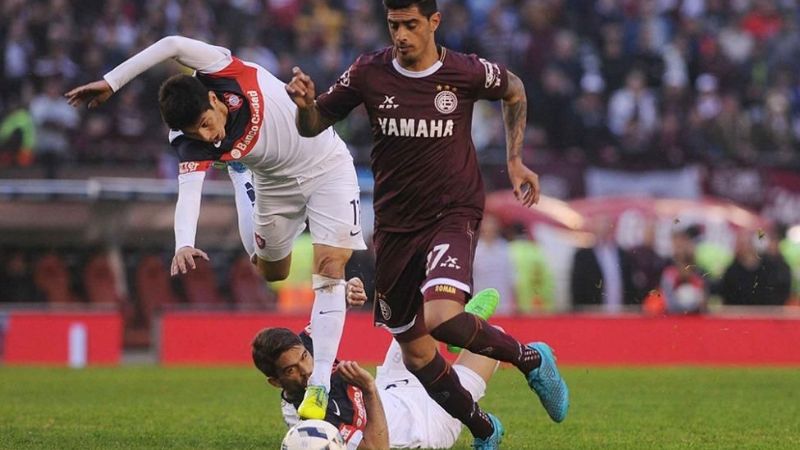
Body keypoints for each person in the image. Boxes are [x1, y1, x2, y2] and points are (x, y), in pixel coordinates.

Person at [284, 1, 569, 447]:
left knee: (441, 317)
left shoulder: (464, 72)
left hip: (453, 212)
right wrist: (304, 105)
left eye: (411, 25)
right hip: (396, 227)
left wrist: (515, 160)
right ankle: (484, 429)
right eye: (394, 25)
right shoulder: (368, 73)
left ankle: (531, 359)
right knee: (417, 354)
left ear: (434, 22)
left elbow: (514, 90)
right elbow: (314, 123)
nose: (401, 35)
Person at [64, 35, 367, 420]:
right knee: (273, 271)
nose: (209, 138)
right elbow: (189, 192)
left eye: (207, 125)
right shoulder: (190, 142)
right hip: (273, 184)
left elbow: (171, 43)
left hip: (327, 167)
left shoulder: (222, 69)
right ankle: (241, 176)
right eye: (197, 135)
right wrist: (183, 244)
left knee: (330, 268)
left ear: (213, 101)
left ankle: (320, 385)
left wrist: (112, 81)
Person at [252, 278, 503, 449]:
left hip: (393, 386)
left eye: (304, 358)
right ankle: (462, 329)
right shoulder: (314, 422)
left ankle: (454, 326)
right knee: (494, 338)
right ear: (275, 381)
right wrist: (369, 388)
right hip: (427, 422)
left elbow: (330, 311)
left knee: (412, 308)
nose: (306, 371)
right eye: (290, 371)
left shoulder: (305, 344)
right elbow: (377, 447)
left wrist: (349, 290)